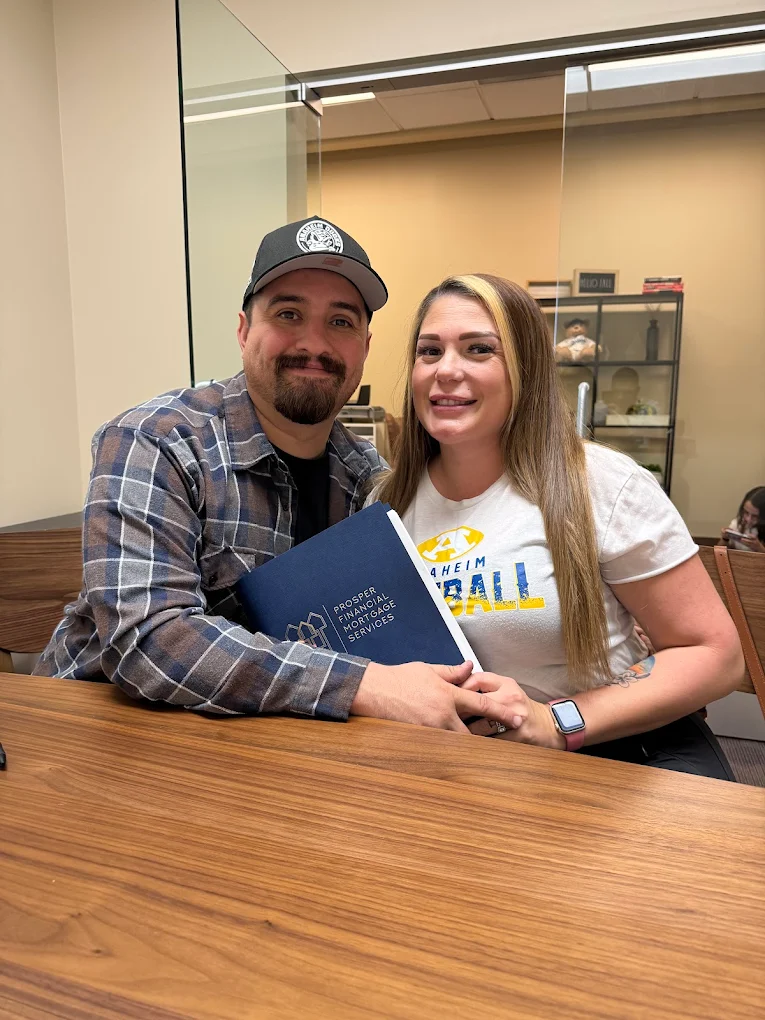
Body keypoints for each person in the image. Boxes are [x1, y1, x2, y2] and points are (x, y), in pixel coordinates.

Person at [35, 221, 519, 736]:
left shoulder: (369, 482)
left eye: (341, 321)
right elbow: (149, 640)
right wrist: (365, 686)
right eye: (289, 314)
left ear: (365, 346)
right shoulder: (156, 441)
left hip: (268, 748)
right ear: (244, 331)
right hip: (104, 739)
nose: (314, 342)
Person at [371, 273, 744, 778]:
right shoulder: (387, 504)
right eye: (430, 351)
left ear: (525, 369)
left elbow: (714, 654)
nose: (446, 370)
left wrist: (556, 721)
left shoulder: (600, 483)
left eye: (479, 349)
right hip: (473, 766)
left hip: (621, 754)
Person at [719, 486, 765, 553]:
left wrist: (759, 548)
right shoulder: (737, 524)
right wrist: (725, 539)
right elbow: (719, 552)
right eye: (746, 512)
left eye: (755, 516)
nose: (748, 519)